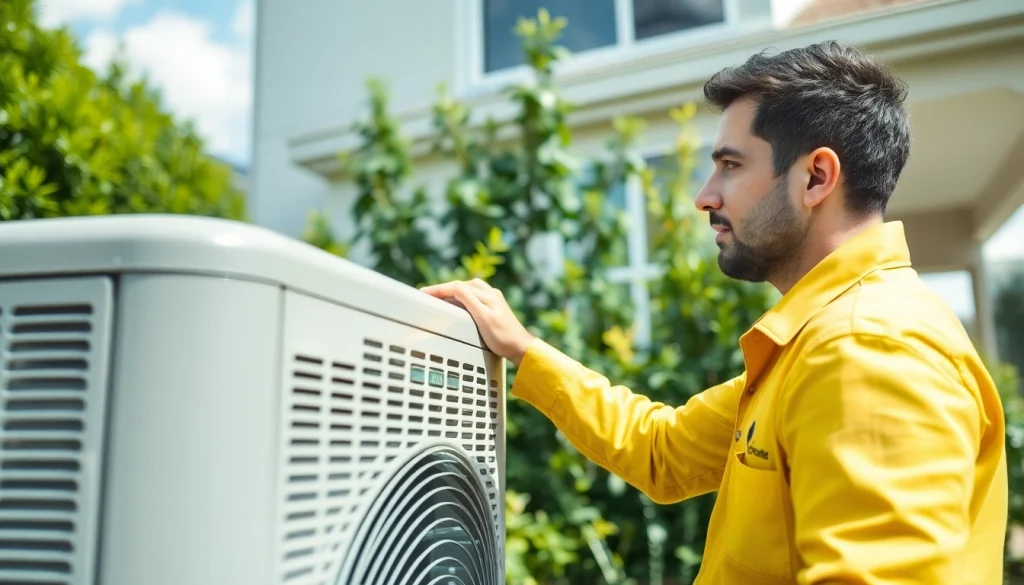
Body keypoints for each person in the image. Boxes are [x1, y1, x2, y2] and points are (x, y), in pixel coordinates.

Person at [422, 40, 1007, 584]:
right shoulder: (818, 343)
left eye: (731, 164)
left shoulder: (866, 349)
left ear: (816, 177)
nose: (705, 195)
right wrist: (524, 348)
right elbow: (662, 451)